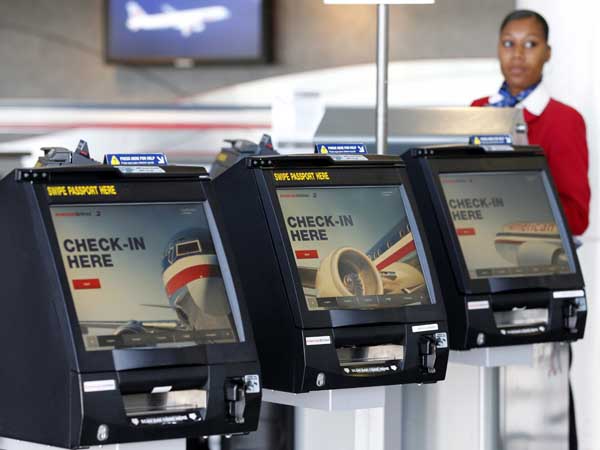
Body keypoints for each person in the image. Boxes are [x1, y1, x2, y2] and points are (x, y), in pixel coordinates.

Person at [472, 9, 590, 237]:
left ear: (547, 53)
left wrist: (507, 210)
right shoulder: (478, 109)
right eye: (508, 43)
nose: (517, 54)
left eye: (530, 44)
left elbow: (576, 218)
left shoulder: (565, 120)